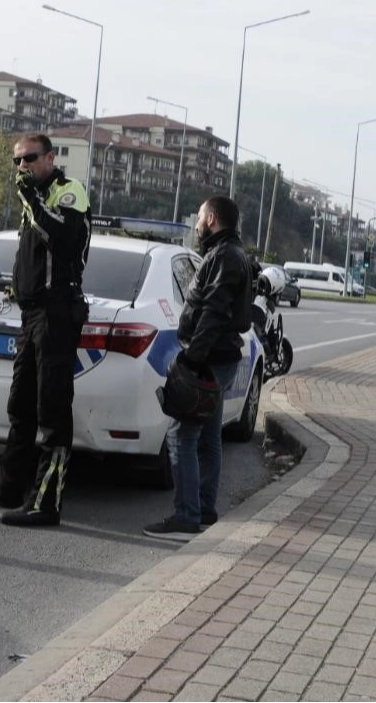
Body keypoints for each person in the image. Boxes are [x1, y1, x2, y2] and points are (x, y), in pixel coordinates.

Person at [0, 133, 91, 527]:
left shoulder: (67, 192)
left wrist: (31, 198)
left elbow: (62, 240)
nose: (21, 167)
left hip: (57, 313)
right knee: (20, 405)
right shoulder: (31, 200)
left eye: (29, 159)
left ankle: (46, 502)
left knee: (52, 411)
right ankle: (9, 484)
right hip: (31, 313)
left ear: (50, 158)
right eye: (16, 161)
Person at [143, 196, 252, 541]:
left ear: (213, 219)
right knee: (208, 437)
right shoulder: (230, 254)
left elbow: (214, 312)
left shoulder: (223, 257)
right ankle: (203, 510)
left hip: (209, 359)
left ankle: (187, 515)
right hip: (218, 357)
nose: (197, 224)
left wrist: (192, 360)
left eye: (201, 218)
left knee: (181, 434)